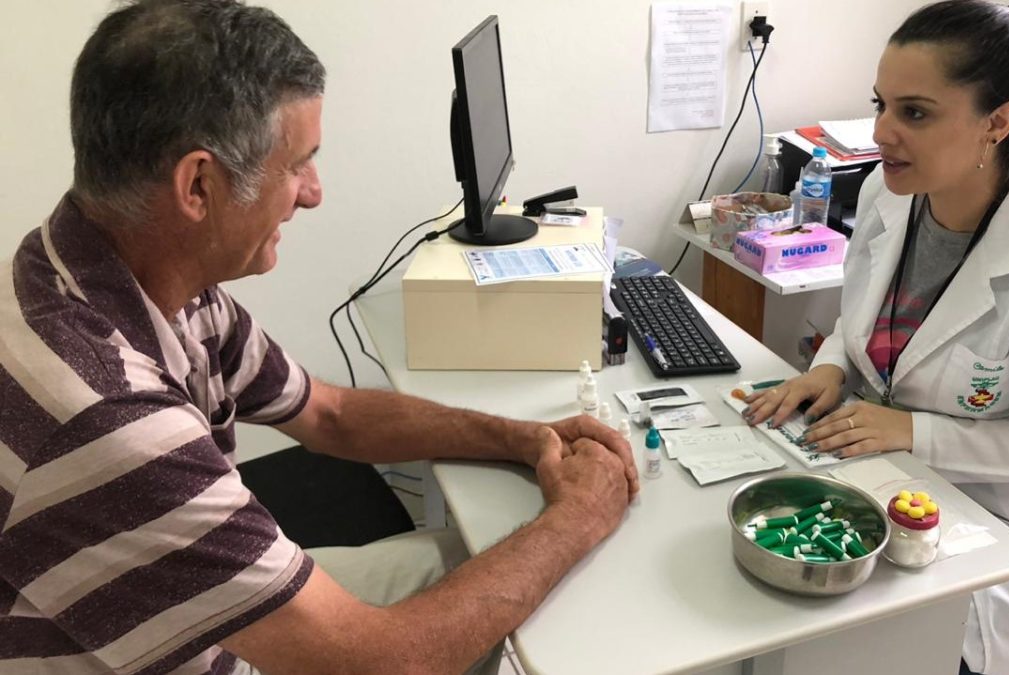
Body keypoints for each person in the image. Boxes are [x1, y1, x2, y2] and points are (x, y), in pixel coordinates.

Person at [0, 1, 638, 673]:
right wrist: (582, 513)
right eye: (298, 164)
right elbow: (385, 660)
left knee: (490, 569)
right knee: (523, 589)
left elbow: (328, 412)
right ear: (198, 185)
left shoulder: (101, 267)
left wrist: (522, 437)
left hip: (191, 624)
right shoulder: (107, 416)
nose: (313, 193)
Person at [745, 2, 1009, 674]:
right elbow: (864, 319)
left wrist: (912, 433)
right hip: (891, 484)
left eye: (915, 113)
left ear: (998, 122)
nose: (880, 132)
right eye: (881, 104)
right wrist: (834, 367)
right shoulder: (887, 194)